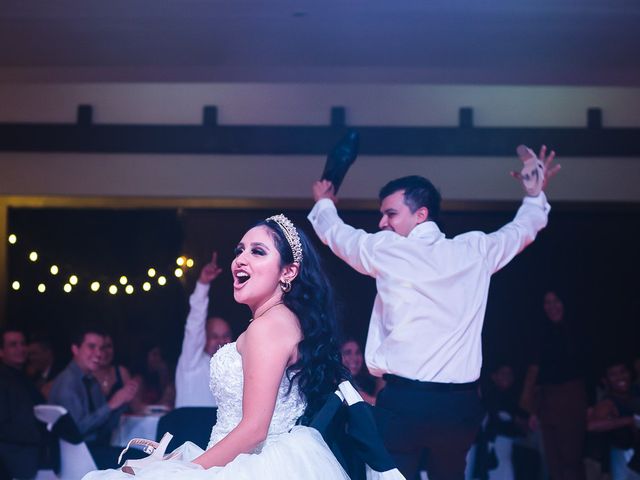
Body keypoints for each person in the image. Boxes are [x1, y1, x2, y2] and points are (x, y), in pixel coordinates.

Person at [308, 145, 560, 480]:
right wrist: (533, 196)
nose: (382, 222)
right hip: (460, 407)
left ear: (421, 215)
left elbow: (338, 236)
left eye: (391, 214)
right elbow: (520, 232)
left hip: (404, 404)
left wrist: (324, 202)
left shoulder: (388, 249)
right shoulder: (474, 250)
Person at [82, 213, 375, 479]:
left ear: (288, 272)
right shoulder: (286, 321)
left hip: (251, 465)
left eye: (257, 251)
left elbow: (254, 429)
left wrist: (184, 471)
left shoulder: (267, 327)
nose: (240, 259)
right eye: (239, 250)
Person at [48, 325, 140, 469]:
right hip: (76, 456)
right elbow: (77, 431)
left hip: (93, 449)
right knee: (141, 460)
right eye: (91, 347)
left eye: (102, 348)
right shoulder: (68, 383)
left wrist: (122, 402)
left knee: (141, 456)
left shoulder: (90, 380)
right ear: (75, 349)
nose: (99, 354)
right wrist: (111, 404)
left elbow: (103, 429)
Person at [521, 290, 590, 480]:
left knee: (571, 458)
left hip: (572, 398)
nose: (552, 307)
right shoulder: (540, 334)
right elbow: (535, 373)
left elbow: (587, 369)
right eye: (547, 302)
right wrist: (533, 409)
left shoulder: (577, 331)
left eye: (556, 301)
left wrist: (590, 403)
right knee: (553, 460)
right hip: (547, 401)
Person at [175, 252, 233, 408]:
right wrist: (202, 284)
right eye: (215, 336)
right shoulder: (192, 362)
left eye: (226, 336)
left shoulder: (234, 367)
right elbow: (195, 324)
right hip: (189, 429)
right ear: (203, 338)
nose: (221, 341)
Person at [0, 327, 45, 480]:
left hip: (28, 460)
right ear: (1, 351)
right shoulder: (3, 379)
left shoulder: (23, 378)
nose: (21, 349)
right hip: (11, 462)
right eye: (13, 345)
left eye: (23, 343)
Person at [587, 360, 640, 477]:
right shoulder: (608, 403)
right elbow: (591, 426)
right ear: (605, 380)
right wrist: (629, 420)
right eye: (613, 374)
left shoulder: (636, 391)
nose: (620, 377)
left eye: (623, 372)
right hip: (624, 455)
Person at [94, 334, 132, 400]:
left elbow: (136, 405)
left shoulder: (122, 372)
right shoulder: (86, 376)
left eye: (108, 346)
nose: (105, 352)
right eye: (101, 347)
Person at [341, 338, 378, 405]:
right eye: (348, 353)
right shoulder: (331, 384)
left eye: (357, 352)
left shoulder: (370, 384)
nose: (354, 358)